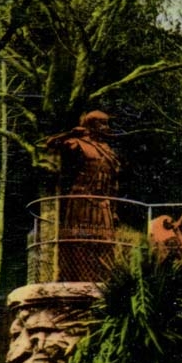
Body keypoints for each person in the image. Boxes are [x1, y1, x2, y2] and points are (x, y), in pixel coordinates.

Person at [45, 110, 120, 281]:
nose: (106, 128)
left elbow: (114, 184)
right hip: (82, 200)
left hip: (104, 203)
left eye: (107, 123)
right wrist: (70, 133)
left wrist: (114, 210)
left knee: (106, 242)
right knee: (79, 240)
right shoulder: (78, 143)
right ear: (92, 125)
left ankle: (104, 280)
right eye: (102, 123)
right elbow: (51, 143)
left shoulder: (109, 152)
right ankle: (78, 279)